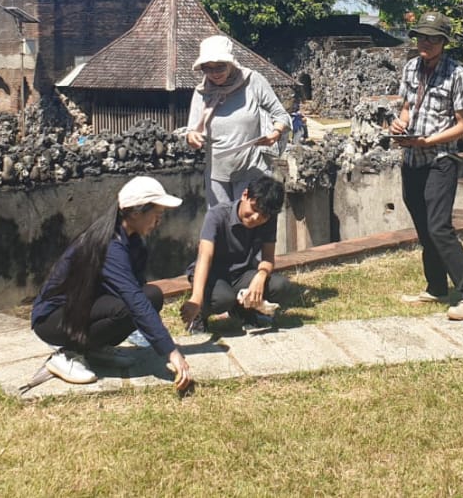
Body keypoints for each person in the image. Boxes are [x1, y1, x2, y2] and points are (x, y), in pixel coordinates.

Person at [31, 176, 195, 388]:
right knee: (136, 303)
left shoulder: (133, 242)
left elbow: (138, 293)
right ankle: (68, 356)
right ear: (136, 213)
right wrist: (171, 352)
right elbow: (133, 300)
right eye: (157, 215)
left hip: (81, 309)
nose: (159, 221)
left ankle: (94, 348)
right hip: (53, 319)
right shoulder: (110, 246)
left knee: (151, 296)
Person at [390, 11, 463, 321]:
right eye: (421, 36)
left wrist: (430, 141)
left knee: (439, 227)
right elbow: (406, 107)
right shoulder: (410, 67)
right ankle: (436, 287)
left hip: (440, 159)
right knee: (423, 227)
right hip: (412, 158)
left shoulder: (456, 74)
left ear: (444, 42)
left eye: (433, 38)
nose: (426, 43)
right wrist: (400, 124)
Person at [185, 34, 292, 207]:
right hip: (216, 173)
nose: (214, 73)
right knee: (221, 223)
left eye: (220, 67)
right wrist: (192, 137)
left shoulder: (252, 81)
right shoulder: (202, 91)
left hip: (251, 169)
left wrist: (275, 133)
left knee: (248, 222)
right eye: (208, 69)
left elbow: (280, 114)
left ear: (231, 63)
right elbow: (192, 131)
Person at [180, 174, 295, 333]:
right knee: (223, 299)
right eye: (254, 209)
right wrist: (196, 298)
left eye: (263, 216)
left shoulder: (269, 219)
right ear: (245, 195)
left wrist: (260, 276)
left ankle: (243, 310)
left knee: (280, 286)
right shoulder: (217, 215)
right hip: (212, 274)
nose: (256, 218)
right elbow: (204, 257)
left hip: (241, 273)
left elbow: (268, 257)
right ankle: (200, 315)